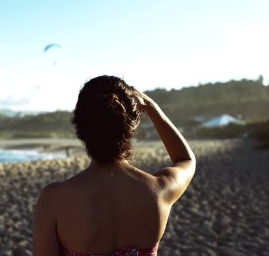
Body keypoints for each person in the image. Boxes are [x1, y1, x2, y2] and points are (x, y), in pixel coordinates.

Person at [33, 75, 196, 256]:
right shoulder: (159, 190)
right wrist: (152, 108)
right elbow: (186, 160)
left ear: (80, 128)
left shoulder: (54, 199)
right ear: (131, 127)